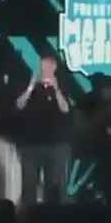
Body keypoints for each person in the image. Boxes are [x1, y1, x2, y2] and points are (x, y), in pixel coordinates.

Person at [12, 55, 71, 207]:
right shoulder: (28, 85)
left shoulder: (61, 85)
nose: (44, 71)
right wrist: (31, 87)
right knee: (29, 184)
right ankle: (28, 214)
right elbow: (19, 105)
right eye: (42, 67)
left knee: (54, 185)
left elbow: (65, 109)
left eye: (48, 67)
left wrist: (56, 89)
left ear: (54, 69)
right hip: (31, 143)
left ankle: (53, 213)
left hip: (55, 143)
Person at [75, 77, 111, 203]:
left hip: (110, 149)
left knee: (108, 178)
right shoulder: (90, 101)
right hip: (93, 148)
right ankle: (90, 200)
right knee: (92, 177)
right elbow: (85, 121)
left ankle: (109, 201)